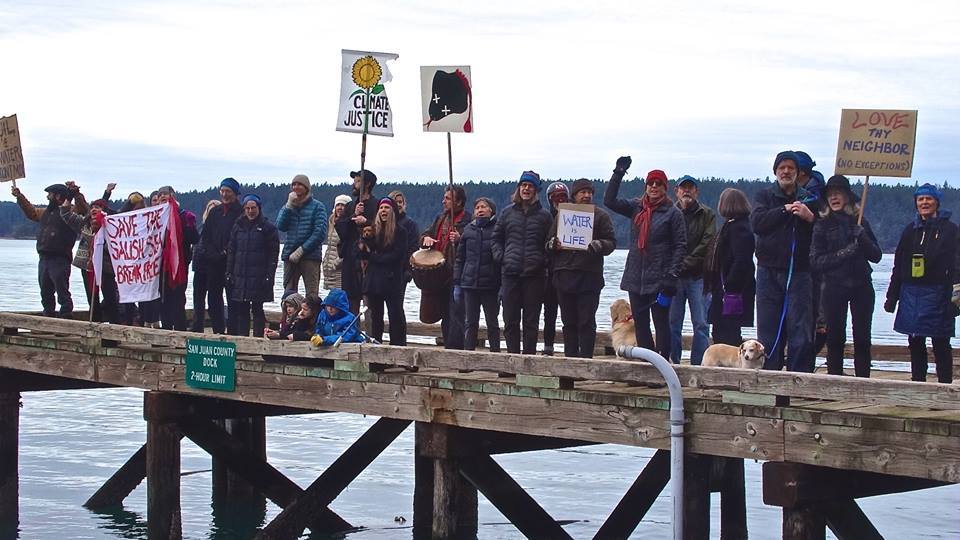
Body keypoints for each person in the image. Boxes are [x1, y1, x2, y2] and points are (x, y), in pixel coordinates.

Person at [604, 158, 686, 361]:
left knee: (661, 323)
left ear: (665, 187)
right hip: (636, 277)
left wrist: (672, 276)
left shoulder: (673, 214)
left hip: (660, 278)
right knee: (641, 324)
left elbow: (680, 246)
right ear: (646, 186)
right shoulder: (636, 207)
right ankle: (646, 364)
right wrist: (618, 173)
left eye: (658, 184)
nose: (654, 187)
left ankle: (664, 363)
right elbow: (609, 201)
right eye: (651, 183)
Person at [884, 183, 959, 383]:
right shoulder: (910, 230)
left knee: (941, 342)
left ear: (937, 202)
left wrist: (956, 296)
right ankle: (918, 383)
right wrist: (892, 295)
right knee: (915, 341)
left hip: (939, 292)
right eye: (920, 199)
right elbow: (898, 265)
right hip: (911, 292)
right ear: (916, 203)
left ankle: (945, 387)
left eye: (929, 199)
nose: (924, 202)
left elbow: (957, 265)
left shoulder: (950, 230)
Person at [751, 151, 818, 372]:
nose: (786, 171)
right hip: (767, 271)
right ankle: (770, 377)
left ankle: (799, 379)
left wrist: (810, 218)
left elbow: (823, 233)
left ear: (798, 173)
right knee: (768, 329)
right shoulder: (764, 195)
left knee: (800, 329)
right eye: (782, 168)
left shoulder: (811, 198)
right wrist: (784, 210)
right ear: (775, 171)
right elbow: (758, 223)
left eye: (791, 168)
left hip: (799, 272)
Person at [810, 175, 882, 378]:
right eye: (830, 194)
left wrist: (863, 238)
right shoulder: (821, 225)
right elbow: (815, 261)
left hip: (862, 286)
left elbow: (876, 255)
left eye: (838, 193)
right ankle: (835, 380)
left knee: (862, 338)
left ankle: (863, 381)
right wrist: (844, 253)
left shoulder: (860, 222)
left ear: (847, 197)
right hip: (834, 287)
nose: (833, 197)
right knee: (834, 338)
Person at [546, 178, 616, 358]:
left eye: (589, 192)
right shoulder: (563, 215)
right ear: (574, 195)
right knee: (568, 322)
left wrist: (600, 245)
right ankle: (570, 358)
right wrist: (553, 244)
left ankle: (586, 359)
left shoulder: (600, 216)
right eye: (582, 192)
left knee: (586, 321)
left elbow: (611, 242)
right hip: (564, 275)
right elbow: (547, 243)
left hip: (589, 276)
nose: (586, 195)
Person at [492, 171, 553, 355]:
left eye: (530, 186)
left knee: (531, 321)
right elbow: (496, 239)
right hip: (510, 273)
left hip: (535, 275)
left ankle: (529, 361)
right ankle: (512, 359)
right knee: (510, 320)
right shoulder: (506, 213)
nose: (526, 189)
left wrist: (542, 261)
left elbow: (550, 245)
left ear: (536, 190)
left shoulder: (545, 216)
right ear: (519, 188)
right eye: (523, 185)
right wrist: (502, 257)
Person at [12, 182, 85, 318]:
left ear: (58, 196)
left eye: (49, 194)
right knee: (45, 292)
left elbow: (82, 208)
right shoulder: (46, 212)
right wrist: (19, 196)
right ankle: (48, 317)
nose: (47, 197)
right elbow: (31, 212)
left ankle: (66, 319)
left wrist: (76, 194)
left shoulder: (70, 212)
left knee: (62, 292)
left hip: (60, 258)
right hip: (44, 257)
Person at [668, 175, 716, 365]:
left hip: (699, 277)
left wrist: (686, 262)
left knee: (701, 324)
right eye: (683, 188)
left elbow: (708, 241)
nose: (686, 191)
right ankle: (673, 364)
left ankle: (698, 365)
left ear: (697, 191)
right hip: (674, 278)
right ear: (677, 191)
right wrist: (675, 265)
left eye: (690, 188)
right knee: (673, 324)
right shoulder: (669, 213)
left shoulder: (707, 214)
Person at [421, 185, 471, 350]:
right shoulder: (440, 219)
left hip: (459, 275)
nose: (444, 201)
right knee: (444, 314)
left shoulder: (468, 221)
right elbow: (424, 234)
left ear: (459, 202)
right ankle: (448, 348)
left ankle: (455, 351)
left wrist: (460, 238)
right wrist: (426, 239)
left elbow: (475, 243)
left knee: (456, 315)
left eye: (448, 198)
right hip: (440, 275)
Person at [705, 188, 755, 346]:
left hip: (731, 292)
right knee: (721, 331)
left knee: (727, 333)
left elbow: (742, 260)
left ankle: (730, 368)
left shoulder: (739, 228)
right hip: (725, 289)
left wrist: (729, 285)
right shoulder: (733, 225)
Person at [59, 195, 120, 323]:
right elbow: (65, 213)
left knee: (110, 300)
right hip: (88, 267)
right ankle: (94, 326)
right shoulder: (84, 224)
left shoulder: (112, 228)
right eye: (92, 207)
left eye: (97, 207)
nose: (93, 210)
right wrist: (69, 195)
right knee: (92, 299)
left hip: (106, 268)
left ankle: (114, 330)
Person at [227, 194, 280, 338]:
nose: (250, 211)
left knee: (257, 309)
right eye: (248, 208)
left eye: (253, 208)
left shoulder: (268, 228)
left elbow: (273, 254)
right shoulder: (238, 226)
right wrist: (229, 271)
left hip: (259, 275)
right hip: (240, 274)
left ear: (259, 208)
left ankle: (257, 339)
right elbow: (232, 250)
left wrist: (270, 275)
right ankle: (244, 339)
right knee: (242, 310)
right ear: (244, 209)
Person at [454, 197, 501, 352]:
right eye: (477, 207)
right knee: (470, 322)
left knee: (492, 322)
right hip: (470, 283)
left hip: (491, 284)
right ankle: (468, 357)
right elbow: (460, 258)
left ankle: (495, 355)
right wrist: (457, 282)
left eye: (484, 207)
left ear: (491, 211)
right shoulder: (468, 229)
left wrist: (501, 285)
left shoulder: (498, 229)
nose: (480, 210)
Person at [196, 178, 243, 333]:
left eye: (228, 191)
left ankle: (233, 333)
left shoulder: (242, 213)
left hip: (233, 264)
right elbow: (206, 236)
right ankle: (217, 331)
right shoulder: (215, 212)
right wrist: (212, 253)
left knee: (233, 301)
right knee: (214, 299)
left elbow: (240, 237)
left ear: (235, 194)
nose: (224, 194)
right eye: (222, 191)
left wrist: (226, 252)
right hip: (213, 263)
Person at [363, 198, 408, 346]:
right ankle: (377, 349)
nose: (383, 210)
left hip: (392, 280)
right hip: (374, 281)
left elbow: (397, 255)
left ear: (393, 211)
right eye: (381, 208)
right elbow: (362, 253)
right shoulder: (372, 231)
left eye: (387, 208)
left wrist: (374, 257)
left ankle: (399, 348)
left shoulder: (400, 231)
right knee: (376, 317)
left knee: (396, 316)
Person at [276, 174, 328, 296]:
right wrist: (288, 206)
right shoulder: (288, 206)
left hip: (311, 256)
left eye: (299, 184)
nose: (296, 187)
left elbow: (319, 233)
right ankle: (289, 315)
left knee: (311, 294)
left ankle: (312, 315)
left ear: (306, 187)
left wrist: (302, 250)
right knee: (288, 294)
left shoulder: (317, 206)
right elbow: (280, 226)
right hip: (290, 255)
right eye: (294, 184)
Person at [335, 170, 378, 314]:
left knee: (370, 302)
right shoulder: (350, 206)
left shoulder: (376, 205)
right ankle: (351, 333)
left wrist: (366, 221)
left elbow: (382, 230)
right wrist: (354, 215)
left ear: (367, 184)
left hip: (369, 260)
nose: (354, 184)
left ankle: (371, 334)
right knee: (350, 301)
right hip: (350, 259)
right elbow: (341, 229)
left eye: (358, 181)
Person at [156, 186, 198, 331]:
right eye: (160, 195)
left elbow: (194, 239)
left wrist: (189, 225)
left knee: (178, 300)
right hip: (160, 266)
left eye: (166, 195)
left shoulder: (184, 215)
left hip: (179, 264)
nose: (163, 197)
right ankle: (166, 331)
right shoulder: (155, 217)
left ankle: (180, 332)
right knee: (163, 300)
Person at [541, 181, 569, 355]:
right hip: (549, 270)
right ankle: (548, 345)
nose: (559, 200)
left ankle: (571, 348)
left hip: (567, 270)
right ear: (550, 199)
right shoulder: (546, 218)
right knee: (549, 311)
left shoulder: (574, 217)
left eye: (562, 197)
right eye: (555, 197)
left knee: (568, 313)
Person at [189, 199, 223, 332]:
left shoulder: (220, 229)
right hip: (199, 267)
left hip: (214, 267)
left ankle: (218, 328)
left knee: (214, 300)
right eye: (210, 208)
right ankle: (197, 326)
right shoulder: (201, 227)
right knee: (198, 299)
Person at [389, 190, 419, 285]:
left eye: (400, 202)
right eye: (395, 202)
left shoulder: (410, 224)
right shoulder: (383, 222)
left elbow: (414, 248)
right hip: (384, 270)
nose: (398, 204)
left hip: (401, 271)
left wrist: (409, 270)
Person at [322, 195, 351, 291]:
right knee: (332, 299)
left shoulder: (349, 223)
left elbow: (349, 246)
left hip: (340, 269)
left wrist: (337, 262)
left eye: (343, 205)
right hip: (329, 268)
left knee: (341, 297)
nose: (340, 208)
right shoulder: (332, 221)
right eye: (338, 205)